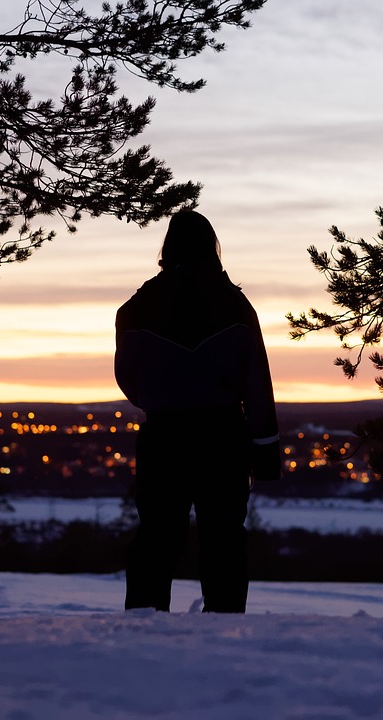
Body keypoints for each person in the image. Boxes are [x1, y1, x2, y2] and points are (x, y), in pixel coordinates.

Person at [114, 209, 280, 613]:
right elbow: (257, 383)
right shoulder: (236, 306)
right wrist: (266, 449)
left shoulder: (136, 308)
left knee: (155, 540)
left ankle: (143, 630)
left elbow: (127, 379)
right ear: (212, 248)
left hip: (163, 437)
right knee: (223, 541)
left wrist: (162, 398)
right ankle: (225, 629)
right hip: (222, 438)